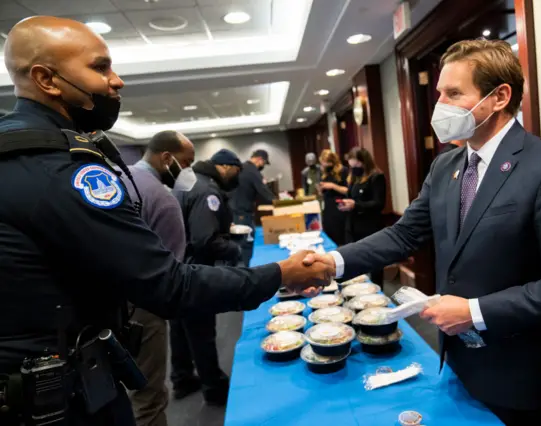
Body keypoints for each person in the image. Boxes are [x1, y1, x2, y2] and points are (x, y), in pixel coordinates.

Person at [0, 16, 330, 426]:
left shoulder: (15, 149)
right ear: (46, 79)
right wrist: (281, 273)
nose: (116, 81)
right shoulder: (62, 169)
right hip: (58, 397)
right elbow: (168, 285)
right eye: (100, 67)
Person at [303, 39, 541, 426]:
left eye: (454, 93)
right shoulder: (445, 167)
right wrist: (332, 262)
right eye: (440, 93)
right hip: (457, 360)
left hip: (516, 370)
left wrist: (474, 311)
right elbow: (403, 235)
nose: (440, 105)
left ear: (499, 97)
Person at [120, 130, 195, 426]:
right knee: (148, 396)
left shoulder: (115, 178)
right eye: (186, 163)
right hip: (143, 308)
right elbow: (170, 272)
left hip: (103, 302)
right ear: (167, 158)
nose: (188, 172)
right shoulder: (162, 199)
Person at [170, 149, 244, 406]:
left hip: (175, 265)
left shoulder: (187, 182)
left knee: (179, 328)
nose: (238, 176)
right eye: (237, 169)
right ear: (224, 166)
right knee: (202, 331)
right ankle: (213, 386)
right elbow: (205, 240)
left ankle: (182, 379)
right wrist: (235, 248)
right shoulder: (208, 191)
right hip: (195, 269)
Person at [338, 147, 387, 285]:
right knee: (355, 266)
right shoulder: (354, 178)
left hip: (370, 228)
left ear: (364, 162)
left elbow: (378, 203)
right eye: (351, 166)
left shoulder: (376, 177)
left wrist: (356, 205)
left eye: (356, 165)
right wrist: (345, 204)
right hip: (352, 227)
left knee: (374, 265)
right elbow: (351, 196)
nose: (354, 168)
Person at [231, 149, 274, 265]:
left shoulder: (241, 168)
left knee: (236, 245)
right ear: (260, 160)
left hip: (233, 212)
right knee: (245, 245)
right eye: (264, 163)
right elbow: (264, 192)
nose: (263, 166)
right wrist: (277, 202)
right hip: (243, 213)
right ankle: (244, 273)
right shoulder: (253, 171)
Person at [317, 149, 348, 246]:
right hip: (327, 206)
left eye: (326, 163)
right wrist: (320, 189)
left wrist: (333, 186)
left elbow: (348, 190)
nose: (324, 165)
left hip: (340, 207)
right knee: (329, 233)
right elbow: (323, 194)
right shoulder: (324, 172)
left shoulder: (343, 171)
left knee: (340, 235)